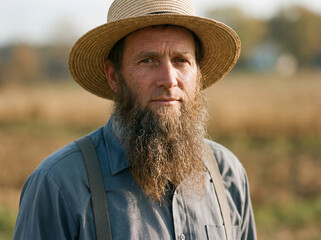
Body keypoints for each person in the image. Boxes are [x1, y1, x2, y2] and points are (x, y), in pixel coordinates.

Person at [14, 0, 257, 239]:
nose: (168, 79)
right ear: (114, 76)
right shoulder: (59, 185)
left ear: (197, 73)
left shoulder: (227, 176)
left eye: (181, 60)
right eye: (148, 60)